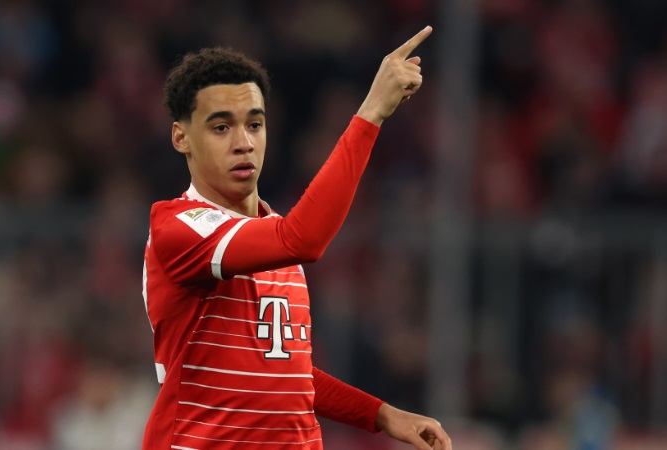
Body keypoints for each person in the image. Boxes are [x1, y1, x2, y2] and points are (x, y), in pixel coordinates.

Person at [142, 26, 451, 450]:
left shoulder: (273, 232)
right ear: (182, 138)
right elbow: (304, 240)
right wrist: (372, 112)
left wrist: (382, 414)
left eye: (254, 124)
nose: (243, 143)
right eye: (221, 127)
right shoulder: (179, 226)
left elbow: (287, 371)